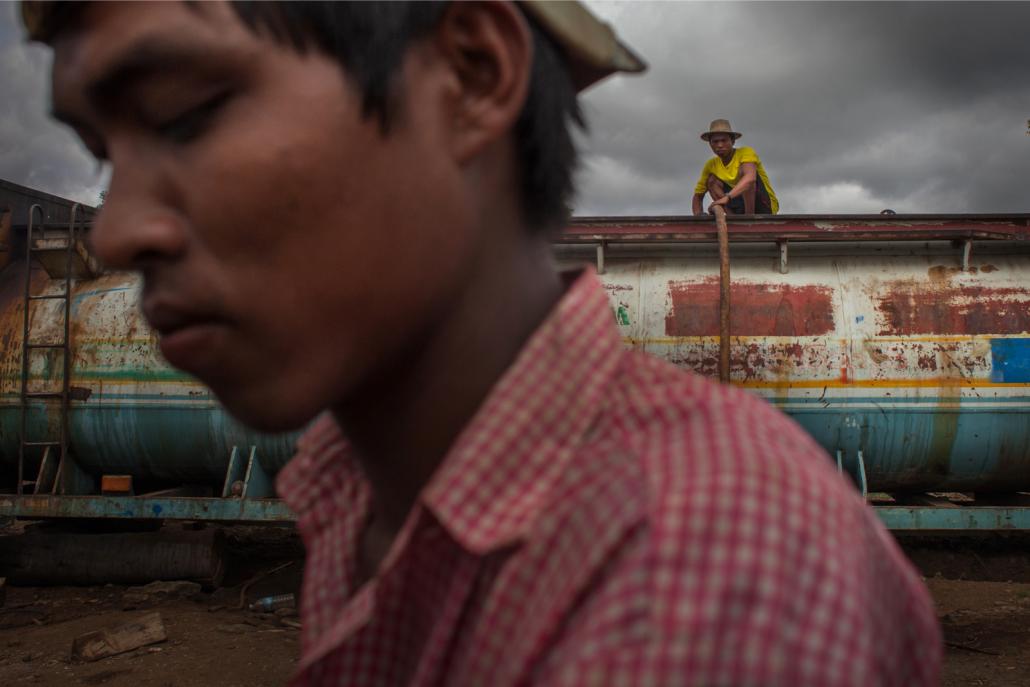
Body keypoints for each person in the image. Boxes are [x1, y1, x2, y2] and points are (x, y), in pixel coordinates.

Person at [26, 1, 940, 684]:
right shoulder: (353, 490)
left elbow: (751, 205)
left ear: (470, 75)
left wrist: (731, 207)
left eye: (187, 112)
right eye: (104, 150)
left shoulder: (705, 584)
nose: (114, 232)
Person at [692, 118, 779, 215]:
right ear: (710, 144)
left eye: (724, 140)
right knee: (712, 180)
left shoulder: (745, 153)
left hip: (762, 205)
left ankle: (748, 219)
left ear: (732, 141)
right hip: (737, 206)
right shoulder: (711, 165)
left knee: (744, 173)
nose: (720, 145)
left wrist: (727, 198)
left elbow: (750, 179)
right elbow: (698, 196)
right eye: (715, 142)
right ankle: (733, 219)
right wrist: (698, 216)